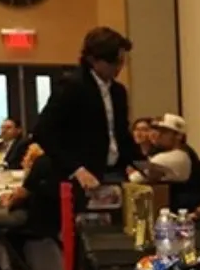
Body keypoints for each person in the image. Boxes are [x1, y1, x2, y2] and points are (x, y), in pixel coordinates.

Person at [34, 27, 149, 188]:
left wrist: (145, 165)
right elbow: (43, 131)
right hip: (81, 175)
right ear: (93, 59)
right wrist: (76, 169)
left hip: (114, 172)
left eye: (121, 62)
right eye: (113, 62)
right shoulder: (72, 86)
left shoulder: (118, 92)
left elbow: (121, 134)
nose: (118, 68)